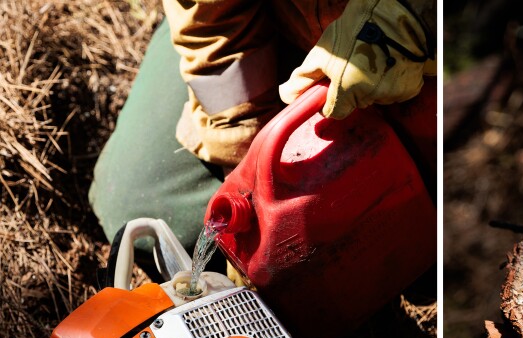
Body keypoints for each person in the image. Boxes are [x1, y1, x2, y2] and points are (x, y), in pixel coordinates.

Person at [89, 0, 436, 259]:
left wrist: (405, 21)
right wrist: (244, 145)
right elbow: (209, 18)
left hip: (423, 57)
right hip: (274, 21)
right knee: (141, 204)